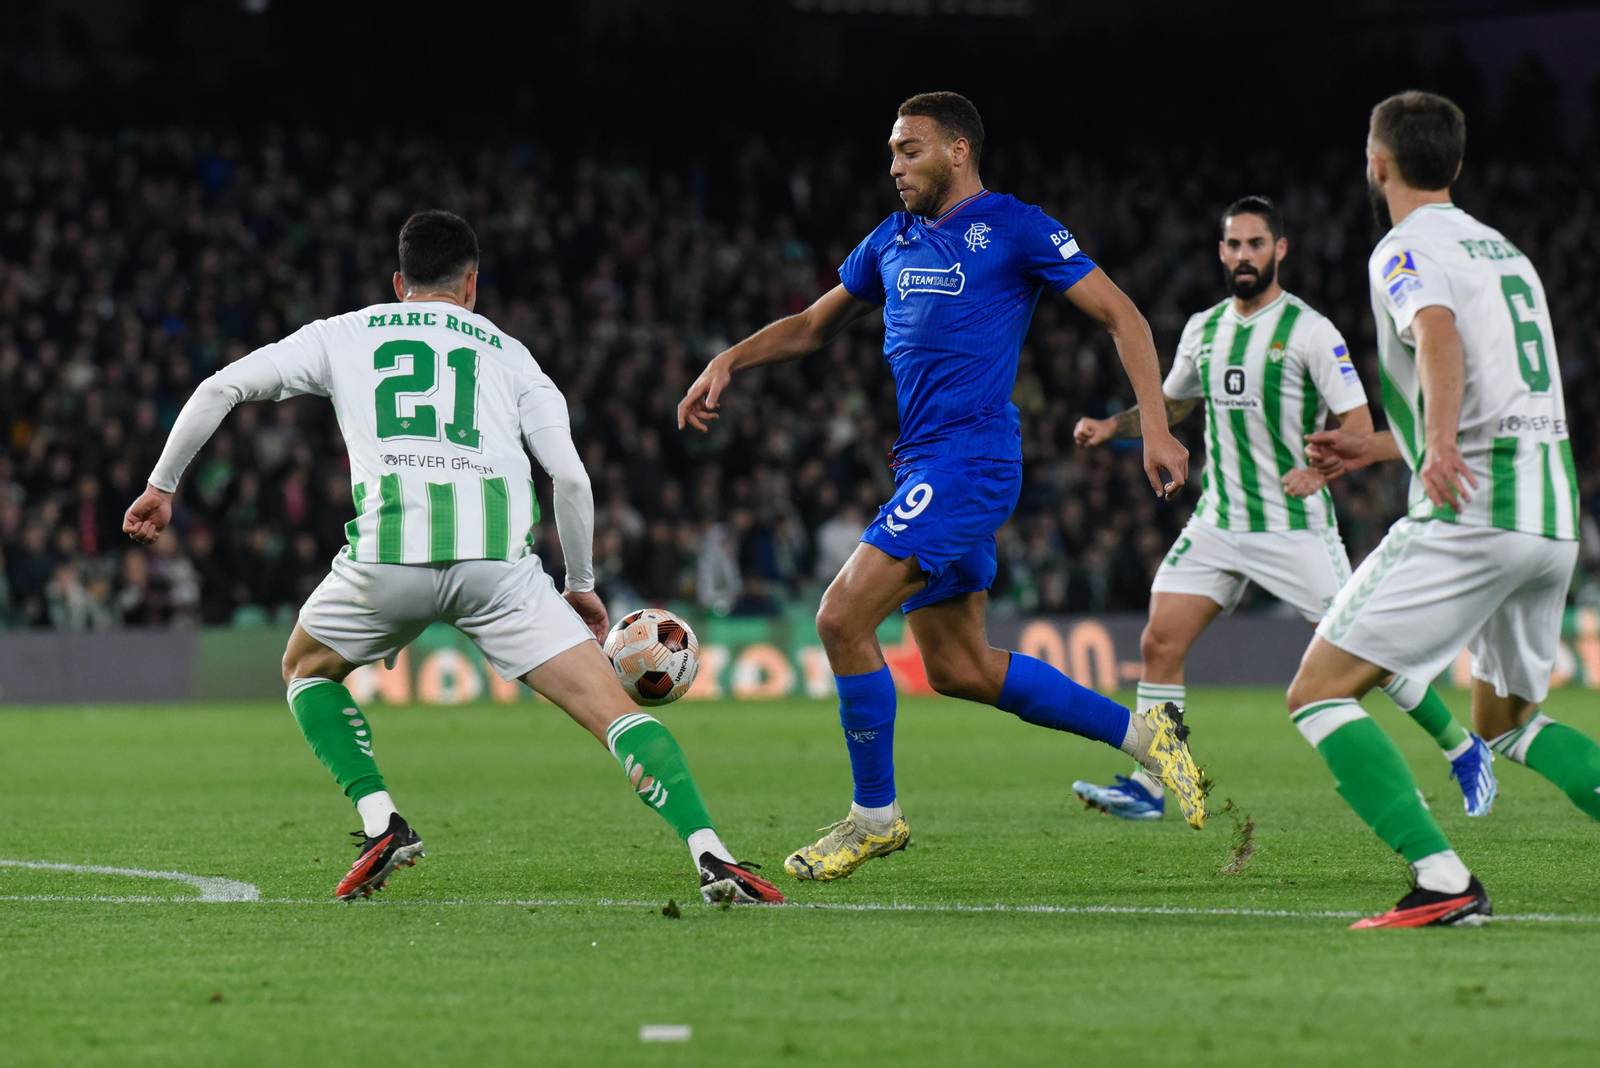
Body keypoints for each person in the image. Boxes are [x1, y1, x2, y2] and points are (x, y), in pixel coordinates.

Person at [124, 210, 783, 906]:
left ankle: (382, 820)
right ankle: (712, 854)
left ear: (399, 281)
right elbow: (572, 480)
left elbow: (221, 385)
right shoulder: (512, 355)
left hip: (387, 561)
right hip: (498, 571)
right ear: (472, 285)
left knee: (304, 671)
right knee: (615, 714)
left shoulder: (344, 333)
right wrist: (581, 585)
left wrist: (161, 487)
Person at [677, 92, 1206, 883]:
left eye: (910, 150)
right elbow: (815, 324)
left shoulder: (1017, 227)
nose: (894, 167)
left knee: (840, 617)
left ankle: (874, 818)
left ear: (958, 151)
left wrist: (1156, 427)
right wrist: (730, 359)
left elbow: (1123, 316)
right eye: (891, 152)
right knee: (959, 666)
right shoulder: (891, 239)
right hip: (923, 464)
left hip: (972, 463)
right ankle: (1148, 739)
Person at [1070, 196, 1490, 821]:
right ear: (1221, 252)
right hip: (1218, 521)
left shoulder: (1311, 332)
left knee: (1366, 659)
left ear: (1280, 250)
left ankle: (1463, 749)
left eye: (1256, 244)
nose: (1244, 256)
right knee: (1160, 639)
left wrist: (1319, 472)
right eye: (1234, 245)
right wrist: (1114, 426)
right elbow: (1176, 404)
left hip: (1294, 530)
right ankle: (1158, 781)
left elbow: (1357, 424)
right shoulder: (1202, 329)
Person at [1286, 91, 1600, 927]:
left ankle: (1442, 882)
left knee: (1317, 691)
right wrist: (1390, 444)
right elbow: (1499, 388)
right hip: (1550, 516)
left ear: (1377, 163)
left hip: (1476, 509)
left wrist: (1438, 449)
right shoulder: (1506, 253)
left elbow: (1437, 336)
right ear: (1455, 165)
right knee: (1506, 722)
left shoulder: (1403, 248)